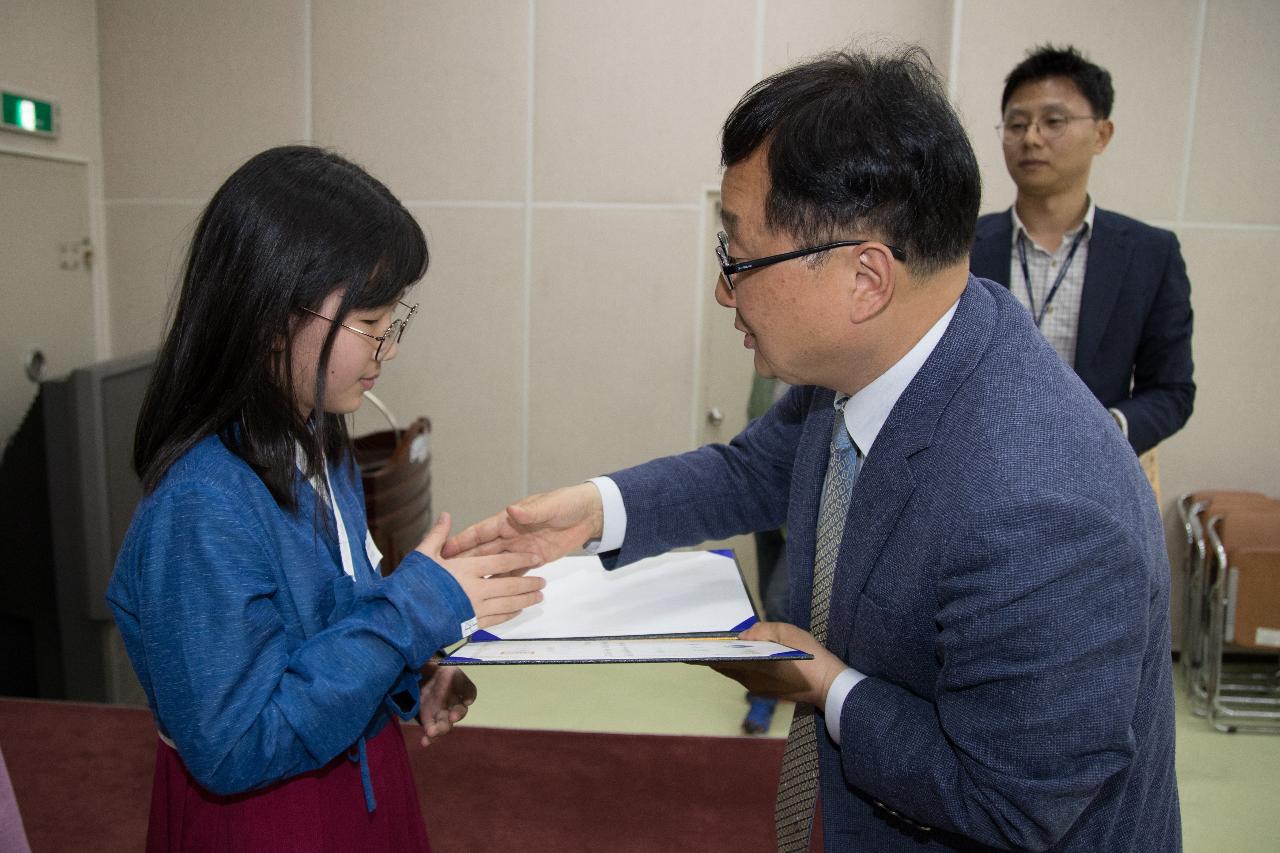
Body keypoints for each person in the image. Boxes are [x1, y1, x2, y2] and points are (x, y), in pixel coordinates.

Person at [445, 47, 1181, 852]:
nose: (724, 289)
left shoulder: (1041, 499)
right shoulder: (895, 349)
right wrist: (593, 512)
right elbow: (759, 465)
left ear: (866, 278)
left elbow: (1011, 802)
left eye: (740, 256)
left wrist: (825, 685)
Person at [106, 146, 545, 852]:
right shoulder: (201, 507)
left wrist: (415, 675)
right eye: (372, 324)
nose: (388, 349)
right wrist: (409, 612)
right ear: (270, 317)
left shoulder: (317, 437)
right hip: (266, 817)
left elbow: (330, 623)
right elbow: (236, 744)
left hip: (355, 772)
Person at [970, 44, 1194, 469]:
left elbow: (1172, 389)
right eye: (1017, 124)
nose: (1031, 137)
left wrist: (1106, 429)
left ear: (1101, 134)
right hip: (979, 469)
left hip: (1095, 472)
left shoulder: (1150, 254)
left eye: (1053, 121)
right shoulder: (961, 244)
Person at [743, 374, 790, 734]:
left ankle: (766, 694)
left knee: (778, 601)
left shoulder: (824, 370)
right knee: (764, 593)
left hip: (809, 511)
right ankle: (777, 675)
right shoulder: (764, 366)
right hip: (766, 505)